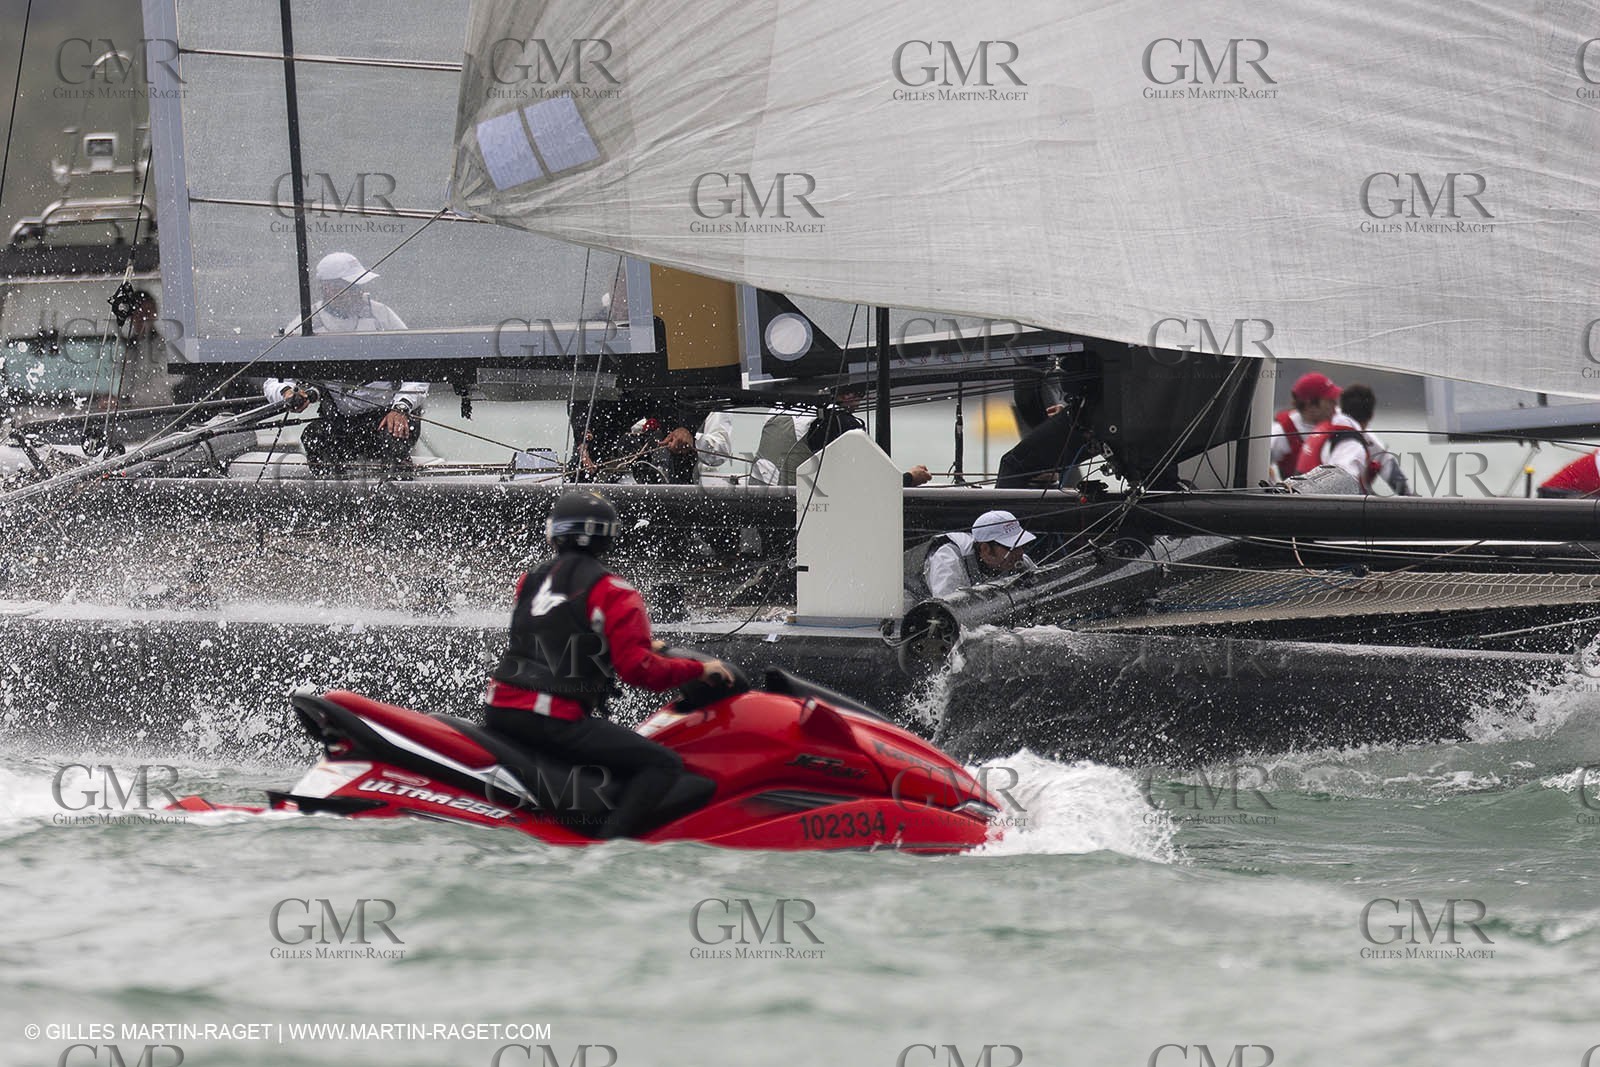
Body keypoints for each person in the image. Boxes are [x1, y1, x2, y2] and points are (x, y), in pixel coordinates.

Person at [482, 490, 734, 839]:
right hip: (552, 720)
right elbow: (637, 670)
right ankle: (606, 849)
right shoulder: (614, 591)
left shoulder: (530, 581)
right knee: (662, 765)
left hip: (499, 711)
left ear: (554, 531)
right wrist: (698, 669)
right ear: (608, 535)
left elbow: (558, 631)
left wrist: (639, 643)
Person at [265, 252, 428, 471]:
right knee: (315, 438)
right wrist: (287, 393)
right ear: (329, 289)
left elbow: (419, 368)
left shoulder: (382, 316)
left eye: (359, 286)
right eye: (353, 286)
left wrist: (401, 407)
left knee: (395, 436)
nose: (360, 292)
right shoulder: (305, 326)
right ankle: (333, 491)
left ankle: (398, 485)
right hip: (341, 423)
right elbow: (273, 381)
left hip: (388, 416)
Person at [1294, 382, 1413, 495]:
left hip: (1301, 497)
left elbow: (1386, 462)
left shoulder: (1328, 426)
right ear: (1371, 416)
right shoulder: (1352, 443)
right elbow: (1342, 484)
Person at [904, 509, 1039, 605]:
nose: (1020, 552)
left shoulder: (1019, 560)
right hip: (906, 598)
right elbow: (949, 608)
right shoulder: (947, 560)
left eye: (1021, 545)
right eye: (1012, 547)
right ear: (985, 549)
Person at [1270, 372, 1341, 480]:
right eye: (1329, 401)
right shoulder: (1281, 431)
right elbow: (1255, 464)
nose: (1335, 405)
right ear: (1309, 404)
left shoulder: (1342, 421)